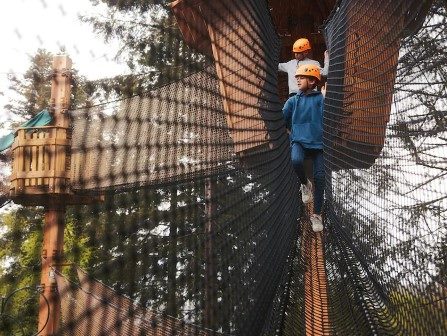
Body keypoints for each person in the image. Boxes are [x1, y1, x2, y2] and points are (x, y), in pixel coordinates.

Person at [282, 64, 326, 232]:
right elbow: (283, 117)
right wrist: (288, 128)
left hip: (319, 143)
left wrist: (326, 99)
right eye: (297, 77)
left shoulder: (320, 99)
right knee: (296, 160)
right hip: (299, 140)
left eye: (301, 77)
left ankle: (316, 215)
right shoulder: (293, 100)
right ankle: (304, 183)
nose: (298, 79)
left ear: (313, 81)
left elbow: (328, 116)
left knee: (320, 177)